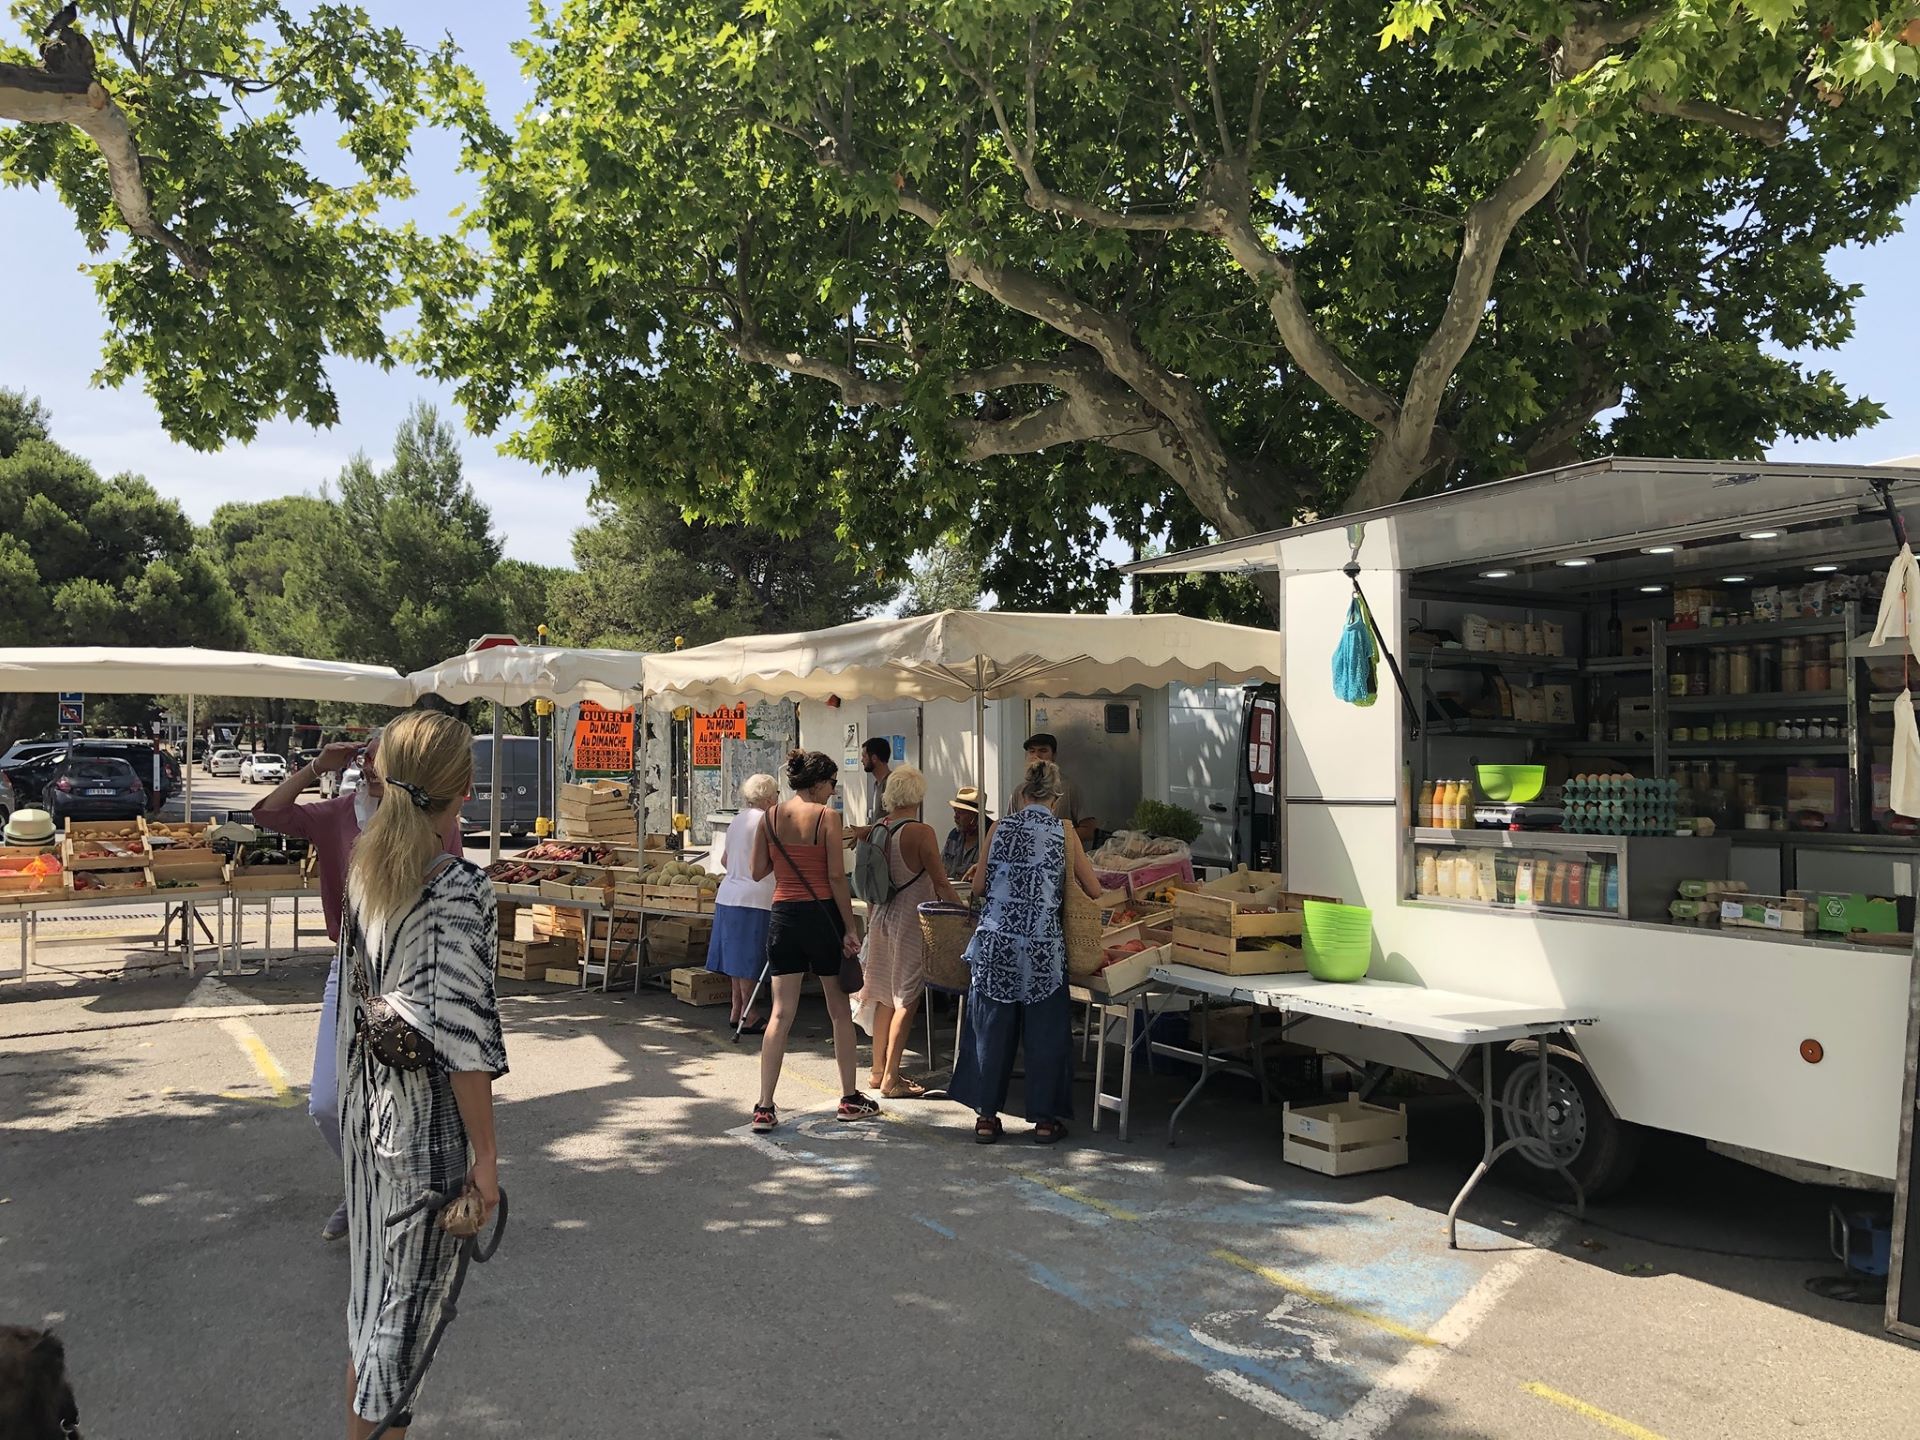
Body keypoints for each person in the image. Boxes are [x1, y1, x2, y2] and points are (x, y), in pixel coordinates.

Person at [337, 710, 505, 1440]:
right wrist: (488, 1160)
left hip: (373, 1121)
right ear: (465, 789)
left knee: (374, 1306)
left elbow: (352, 1009)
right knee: (399, 1337)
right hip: (426, 1137)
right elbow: (464, 1042)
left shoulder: (369, 870)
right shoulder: (456, 890)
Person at [254, 731, 463, 1243]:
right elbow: (267, 814)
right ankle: (362, 1181)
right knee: (327, 1103)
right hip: (349, 969)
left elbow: (449, 889)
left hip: (412, 971)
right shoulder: (336, 814)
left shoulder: (431, 822)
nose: (371, 767)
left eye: (382, 758)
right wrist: (315, 767)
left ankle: (411, 1188)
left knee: (411, 1095)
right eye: (367, 758)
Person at [948, 759, 1103, 1146]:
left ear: (1023, 792)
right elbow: (1094, 890)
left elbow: (980, 886)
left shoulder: (999, 827)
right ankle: (1046, 1122)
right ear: (1056, 796)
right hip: (1042, 948)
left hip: (996, 943)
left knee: (990, 1029)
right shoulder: (1065, 831)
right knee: (1046, 1035)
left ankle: (986, 1117)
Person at [748, 749, 878, 1133]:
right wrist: (849, 928)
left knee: (779, 1013)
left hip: (783, 916)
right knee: (839, 1011)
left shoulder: (770, 817)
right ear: (819, 783)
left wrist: (785, 859)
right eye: (832, 784)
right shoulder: (827, 818)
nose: (833, 791)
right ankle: (849, 1098)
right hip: (821, 915)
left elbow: (758, 871)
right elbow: (837, 877)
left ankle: (765, 1106)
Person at [855, 765, 963, 1098]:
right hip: (911, 922)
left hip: (880, 917)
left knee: (884, 996)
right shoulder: (921, 832)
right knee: (907, 998)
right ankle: (891, 1077)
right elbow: (941, 881)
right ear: (918, 795)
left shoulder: (877, 830)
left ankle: (876, 1072)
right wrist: (964, 913)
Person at [707, 773, 777, 1033]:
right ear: (769, 797)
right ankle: (750, 1013)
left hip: (728, 895)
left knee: (736, 958)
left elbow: (725, 859)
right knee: (748, 959)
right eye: (777, 795)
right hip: (755, 897)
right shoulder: (767, 820)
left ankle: (738, 1008)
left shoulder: (737, 819)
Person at [1014, 732, 1080, 824]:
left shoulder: (1068, 788)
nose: (1036, 756)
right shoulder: (1019, 790)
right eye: (1032, 751)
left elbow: (1088, 828)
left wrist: (1060, 833)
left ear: (1054, 755)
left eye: (1043, 751)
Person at [941, 787, 988, 886]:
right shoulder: (954, 835)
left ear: (975, 816)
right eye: (955, 811)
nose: (956, 816)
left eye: (961, 813)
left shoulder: (990, 837)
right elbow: (941, 866)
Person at [855, 736, 892, 832]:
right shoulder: (877, 784)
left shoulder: (892, 784)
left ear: (874, 758)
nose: (862, 760)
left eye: (864, 756)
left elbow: (895, 818)